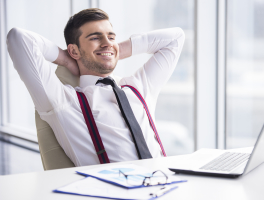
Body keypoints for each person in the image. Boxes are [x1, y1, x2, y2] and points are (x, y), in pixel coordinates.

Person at [6, 8, 185, 167]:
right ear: (74, 50)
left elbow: (176, 38)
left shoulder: (138, 87)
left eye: (111, 36)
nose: (107, 41)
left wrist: (114, 50)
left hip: (166, 184)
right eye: (95, 38)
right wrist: (67, 59)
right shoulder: (64, 101)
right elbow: (18, 39)